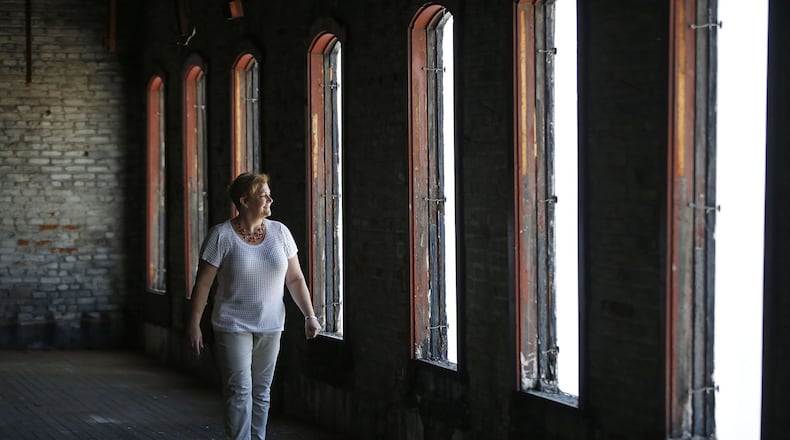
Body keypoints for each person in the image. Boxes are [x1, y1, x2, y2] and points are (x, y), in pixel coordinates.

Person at [186, 172, 321, 440]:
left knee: (261, 391)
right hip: (232, 324)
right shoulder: (221, 236)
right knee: (239, 390)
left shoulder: (280, 233)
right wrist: (194, 323)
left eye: (269, 195)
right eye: (263, 196)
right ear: (244, 201)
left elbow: (295, 278)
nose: (270, 199)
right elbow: (203, 284)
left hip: (271, 324)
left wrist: (309, 315)